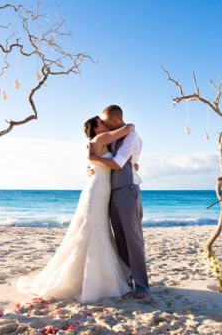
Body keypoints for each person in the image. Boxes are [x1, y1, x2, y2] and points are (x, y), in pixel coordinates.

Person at [16, 116, 134, 302]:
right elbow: (126, 129)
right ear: (95, 129)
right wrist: (131, 125)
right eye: (101, 123)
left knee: (95, 229)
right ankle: (92, 280)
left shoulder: (96, 142)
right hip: (97, 190)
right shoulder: (100, 139)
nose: (105, 123)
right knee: (92, 230)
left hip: (99, 188)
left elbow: (93, 163)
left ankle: (95, 277)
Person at [88, 105, 149, 299]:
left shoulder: (131, 136)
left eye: (105, 122)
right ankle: (126, 279)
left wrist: (95, 159)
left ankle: (142, 286)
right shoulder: (112, 137)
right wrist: (92, 167)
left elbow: (117, 163)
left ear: (114, 121)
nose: (104, 125)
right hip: (110, 192)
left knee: (133, 238)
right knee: (120, 239)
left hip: (127, 190)